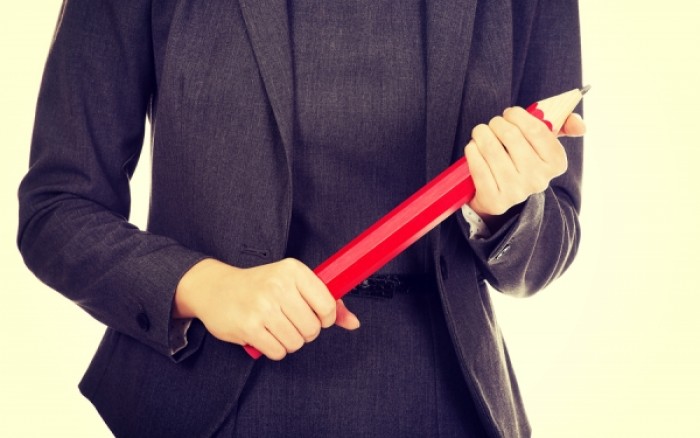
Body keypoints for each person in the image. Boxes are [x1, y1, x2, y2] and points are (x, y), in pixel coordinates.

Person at [18, 1, 585, 437]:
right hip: (214, 399)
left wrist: (502, 211)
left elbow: (554, 234)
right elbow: (57, 207)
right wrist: (206, 286)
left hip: (443, 401)